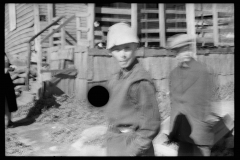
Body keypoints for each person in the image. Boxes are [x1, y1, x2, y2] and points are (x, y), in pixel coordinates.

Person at [105, 22, 161, 156]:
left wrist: (131, 151)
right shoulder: (116, 78)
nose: (122, 55)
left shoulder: (140, 81)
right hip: (116, 144)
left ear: (135, 47)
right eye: (117, 50)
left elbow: (151, 125)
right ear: (111, 52)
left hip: (133, 148)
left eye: (127, 48)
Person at [166, 34, 215, 156]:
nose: (185, 53)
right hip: (182, 131)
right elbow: (174, 103)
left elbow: (208, 100)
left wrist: (204, 124)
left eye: (187, 49)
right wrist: (173, 130)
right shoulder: (173, 74)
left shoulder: (203, 70)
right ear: (175, 54)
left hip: (199, 129)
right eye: (181, 51)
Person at [5, 54, 18, 128]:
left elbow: (8, 64)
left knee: (9, 100)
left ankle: (9, 121)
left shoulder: (4, 54)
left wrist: (11, 66)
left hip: (6, 80)